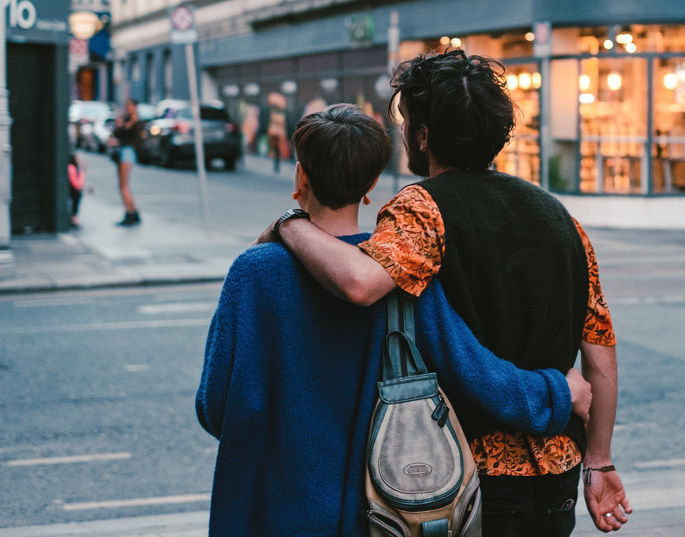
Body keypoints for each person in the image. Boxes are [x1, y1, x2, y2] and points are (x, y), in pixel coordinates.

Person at [263, 50, 632, 535]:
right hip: (558, 477)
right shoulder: (559, 217)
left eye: (407, 121)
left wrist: (289, 225)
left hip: (460, 476)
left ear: (423, 134)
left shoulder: (423, 207)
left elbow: (358, 283)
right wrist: (600, 463)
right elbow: (600, 359)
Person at [199, 104, 592, 537]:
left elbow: (214, 407)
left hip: (266, 512)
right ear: (370, 187)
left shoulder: (253, 273)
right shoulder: (397, 274)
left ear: (300, 176)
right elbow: (476, 374)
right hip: (373, 516)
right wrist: (559, 392)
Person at [110, 99, 142, 226]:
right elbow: (117, 134)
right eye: (127, 106)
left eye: (130, 106)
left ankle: (129, 212)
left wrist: (120, 130)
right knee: (122, 184)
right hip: (123, 152)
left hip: (127, 152)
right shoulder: (126, 119)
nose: (128, 108)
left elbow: (133, 140)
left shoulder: (135, 121)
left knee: (123, 185)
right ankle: (133, 210)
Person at [67, 153, 86, 228]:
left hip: (70, 190)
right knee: (78, 194)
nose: (80, 160)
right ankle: (74, 217)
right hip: (71, 191)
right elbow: (77, 185)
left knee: (78, 193)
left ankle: (73, 217)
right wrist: (83, 172)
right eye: (78, 158)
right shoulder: (71, 168)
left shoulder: (72, 167)